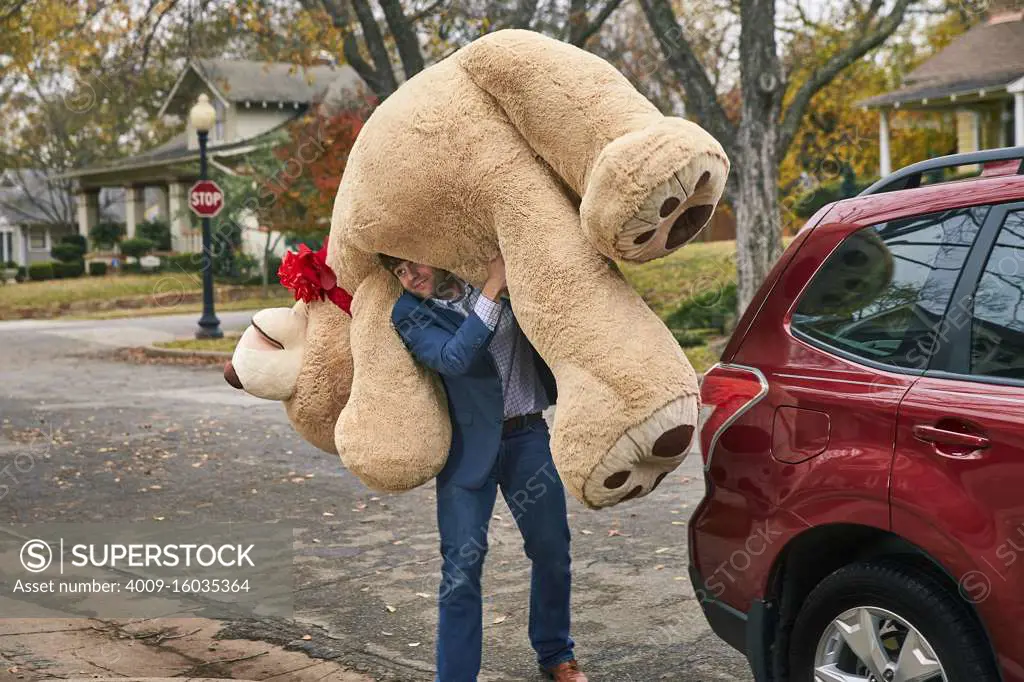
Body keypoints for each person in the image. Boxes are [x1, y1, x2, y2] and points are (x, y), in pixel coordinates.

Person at [381, 253, 587, 682]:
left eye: (413, 262)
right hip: (466, 449)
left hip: (527, 437)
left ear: (434, 250)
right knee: (461, 568)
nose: (410, 275)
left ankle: (555, 653)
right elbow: (453, 359)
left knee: (552, 550)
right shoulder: (409, 313)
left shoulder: (494, 272)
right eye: (399, 271)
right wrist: (494, 287)